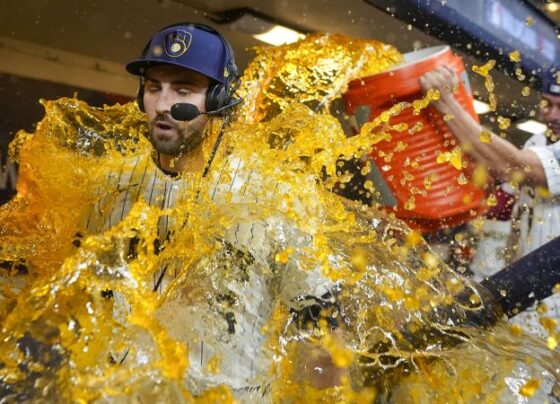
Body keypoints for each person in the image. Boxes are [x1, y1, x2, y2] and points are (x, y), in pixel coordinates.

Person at [420, 64, 560, 335]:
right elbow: (490, 177)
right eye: (546, 104)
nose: (551, 114)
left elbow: (512, 167)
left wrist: (448, 103)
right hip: (524, 296)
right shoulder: (537, 143)